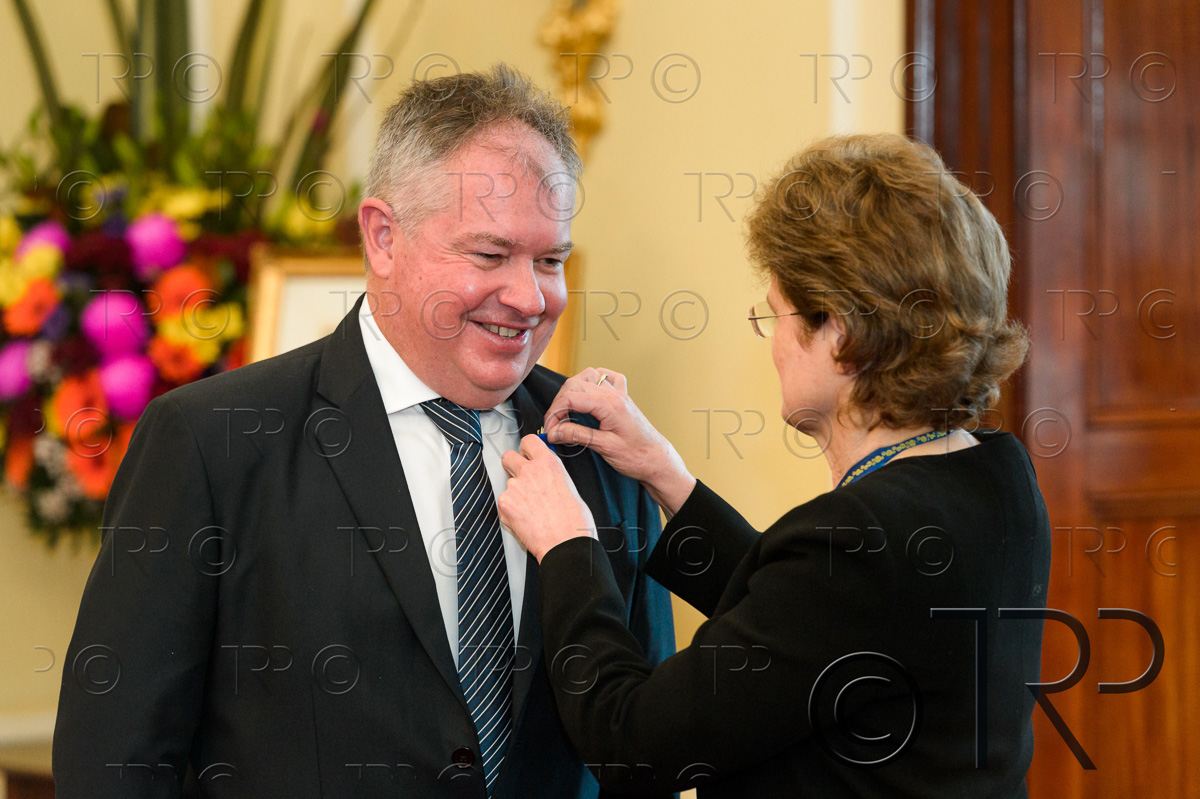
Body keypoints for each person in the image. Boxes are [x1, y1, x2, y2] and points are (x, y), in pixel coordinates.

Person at [53, 65, 675, 799]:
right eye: (490, 255)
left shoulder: (598, 449)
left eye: (550, 260)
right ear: (382, 237)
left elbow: (648, 752)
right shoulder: (213, 443)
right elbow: (115, 763)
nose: (529, 296)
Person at [498, 133, 1051, 797]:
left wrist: (567, 546)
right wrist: (668, 476)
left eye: (776, 314)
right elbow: (808, 631)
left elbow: (632, 741)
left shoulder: (860, 543)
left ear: (840, 332)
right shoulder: (996, 474)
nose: (773, 343)